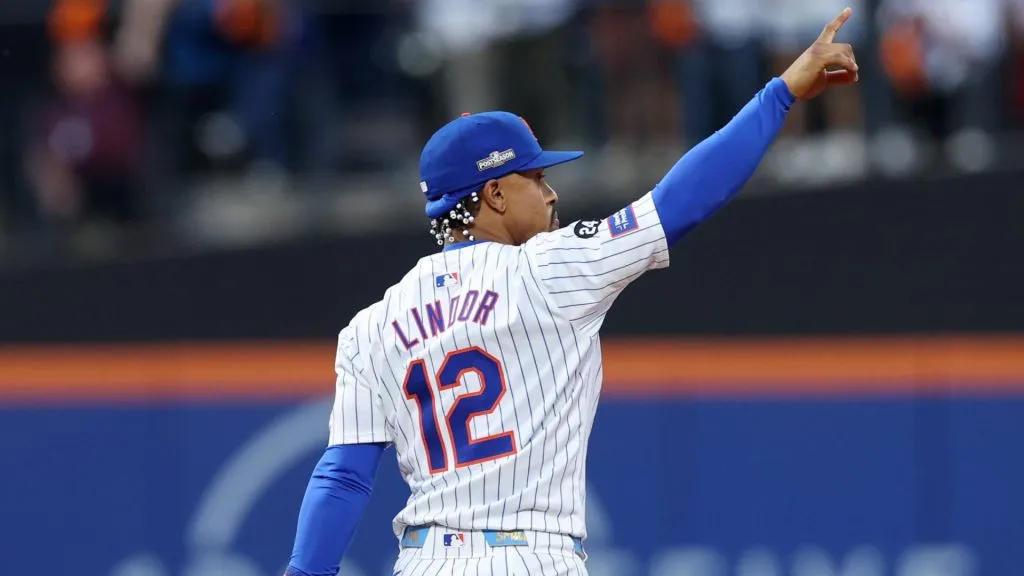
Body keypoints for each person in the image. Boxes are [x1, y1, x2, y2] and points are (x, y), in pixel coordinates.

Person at [284, 8, 859, 576]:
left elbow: (344, 476)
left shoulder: (370, 325)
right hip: (534, 557)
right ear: (495, 195)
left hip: (425, 561)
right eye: (534, 178)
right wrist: (779, 94)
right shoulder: (547, 269)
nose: (552, 192)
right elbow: (680, 201)